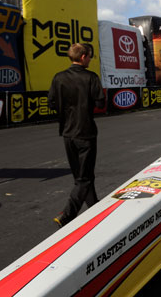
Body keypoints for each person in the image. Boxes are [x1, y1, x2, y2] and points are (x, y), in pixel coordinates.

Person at [48, 43, 105, 228]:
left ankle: (96, 209)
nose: (90, 60)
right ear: (83, 57)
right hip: (85, 132)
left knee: (82, 176)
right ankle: (67, 215)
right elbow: (101, 102)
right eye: (89, 56)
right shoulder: (91, 77)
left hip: (67, 133)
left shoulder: (58, 78)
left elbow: (51, 103)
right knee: (84, 178)